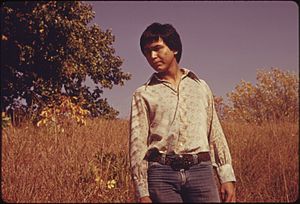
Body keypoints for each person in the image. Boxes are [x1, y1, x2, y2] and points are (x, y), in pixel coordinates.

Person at [129, 22, 236, 203]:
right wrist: (142, 192)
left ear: (174, 49)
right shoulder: (143, 93)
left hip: (201, 171)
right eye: (147, 52)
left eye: (157, 48)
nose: (152, 56)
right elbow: (137, 145)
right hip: (161, 175)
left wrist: (226, 175)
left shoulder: (200, 87)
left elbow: (214, 133)